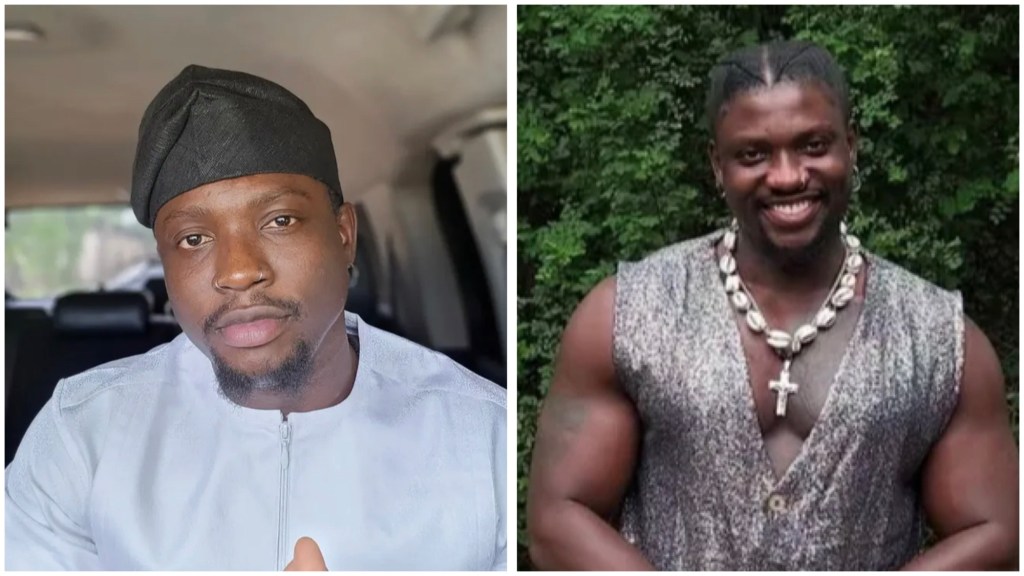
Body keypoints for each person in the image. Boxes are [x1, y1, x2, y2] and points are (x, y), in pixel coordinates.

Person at [526, 40, 1017, 571]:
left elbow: (995, 532)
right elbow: (558, 519)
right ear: (717, 165)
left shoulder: (939, 338)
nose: (786, 176)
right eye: (753, 154)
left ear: (851, 146)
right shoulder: (627, 314)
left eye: (813, 145)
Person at [5, 65, 507, 571]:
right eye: (193, 239)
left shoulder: (484, 435)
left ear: (344, 235)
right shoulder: (82, 433)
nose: (239, 272)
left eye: (279, 221)